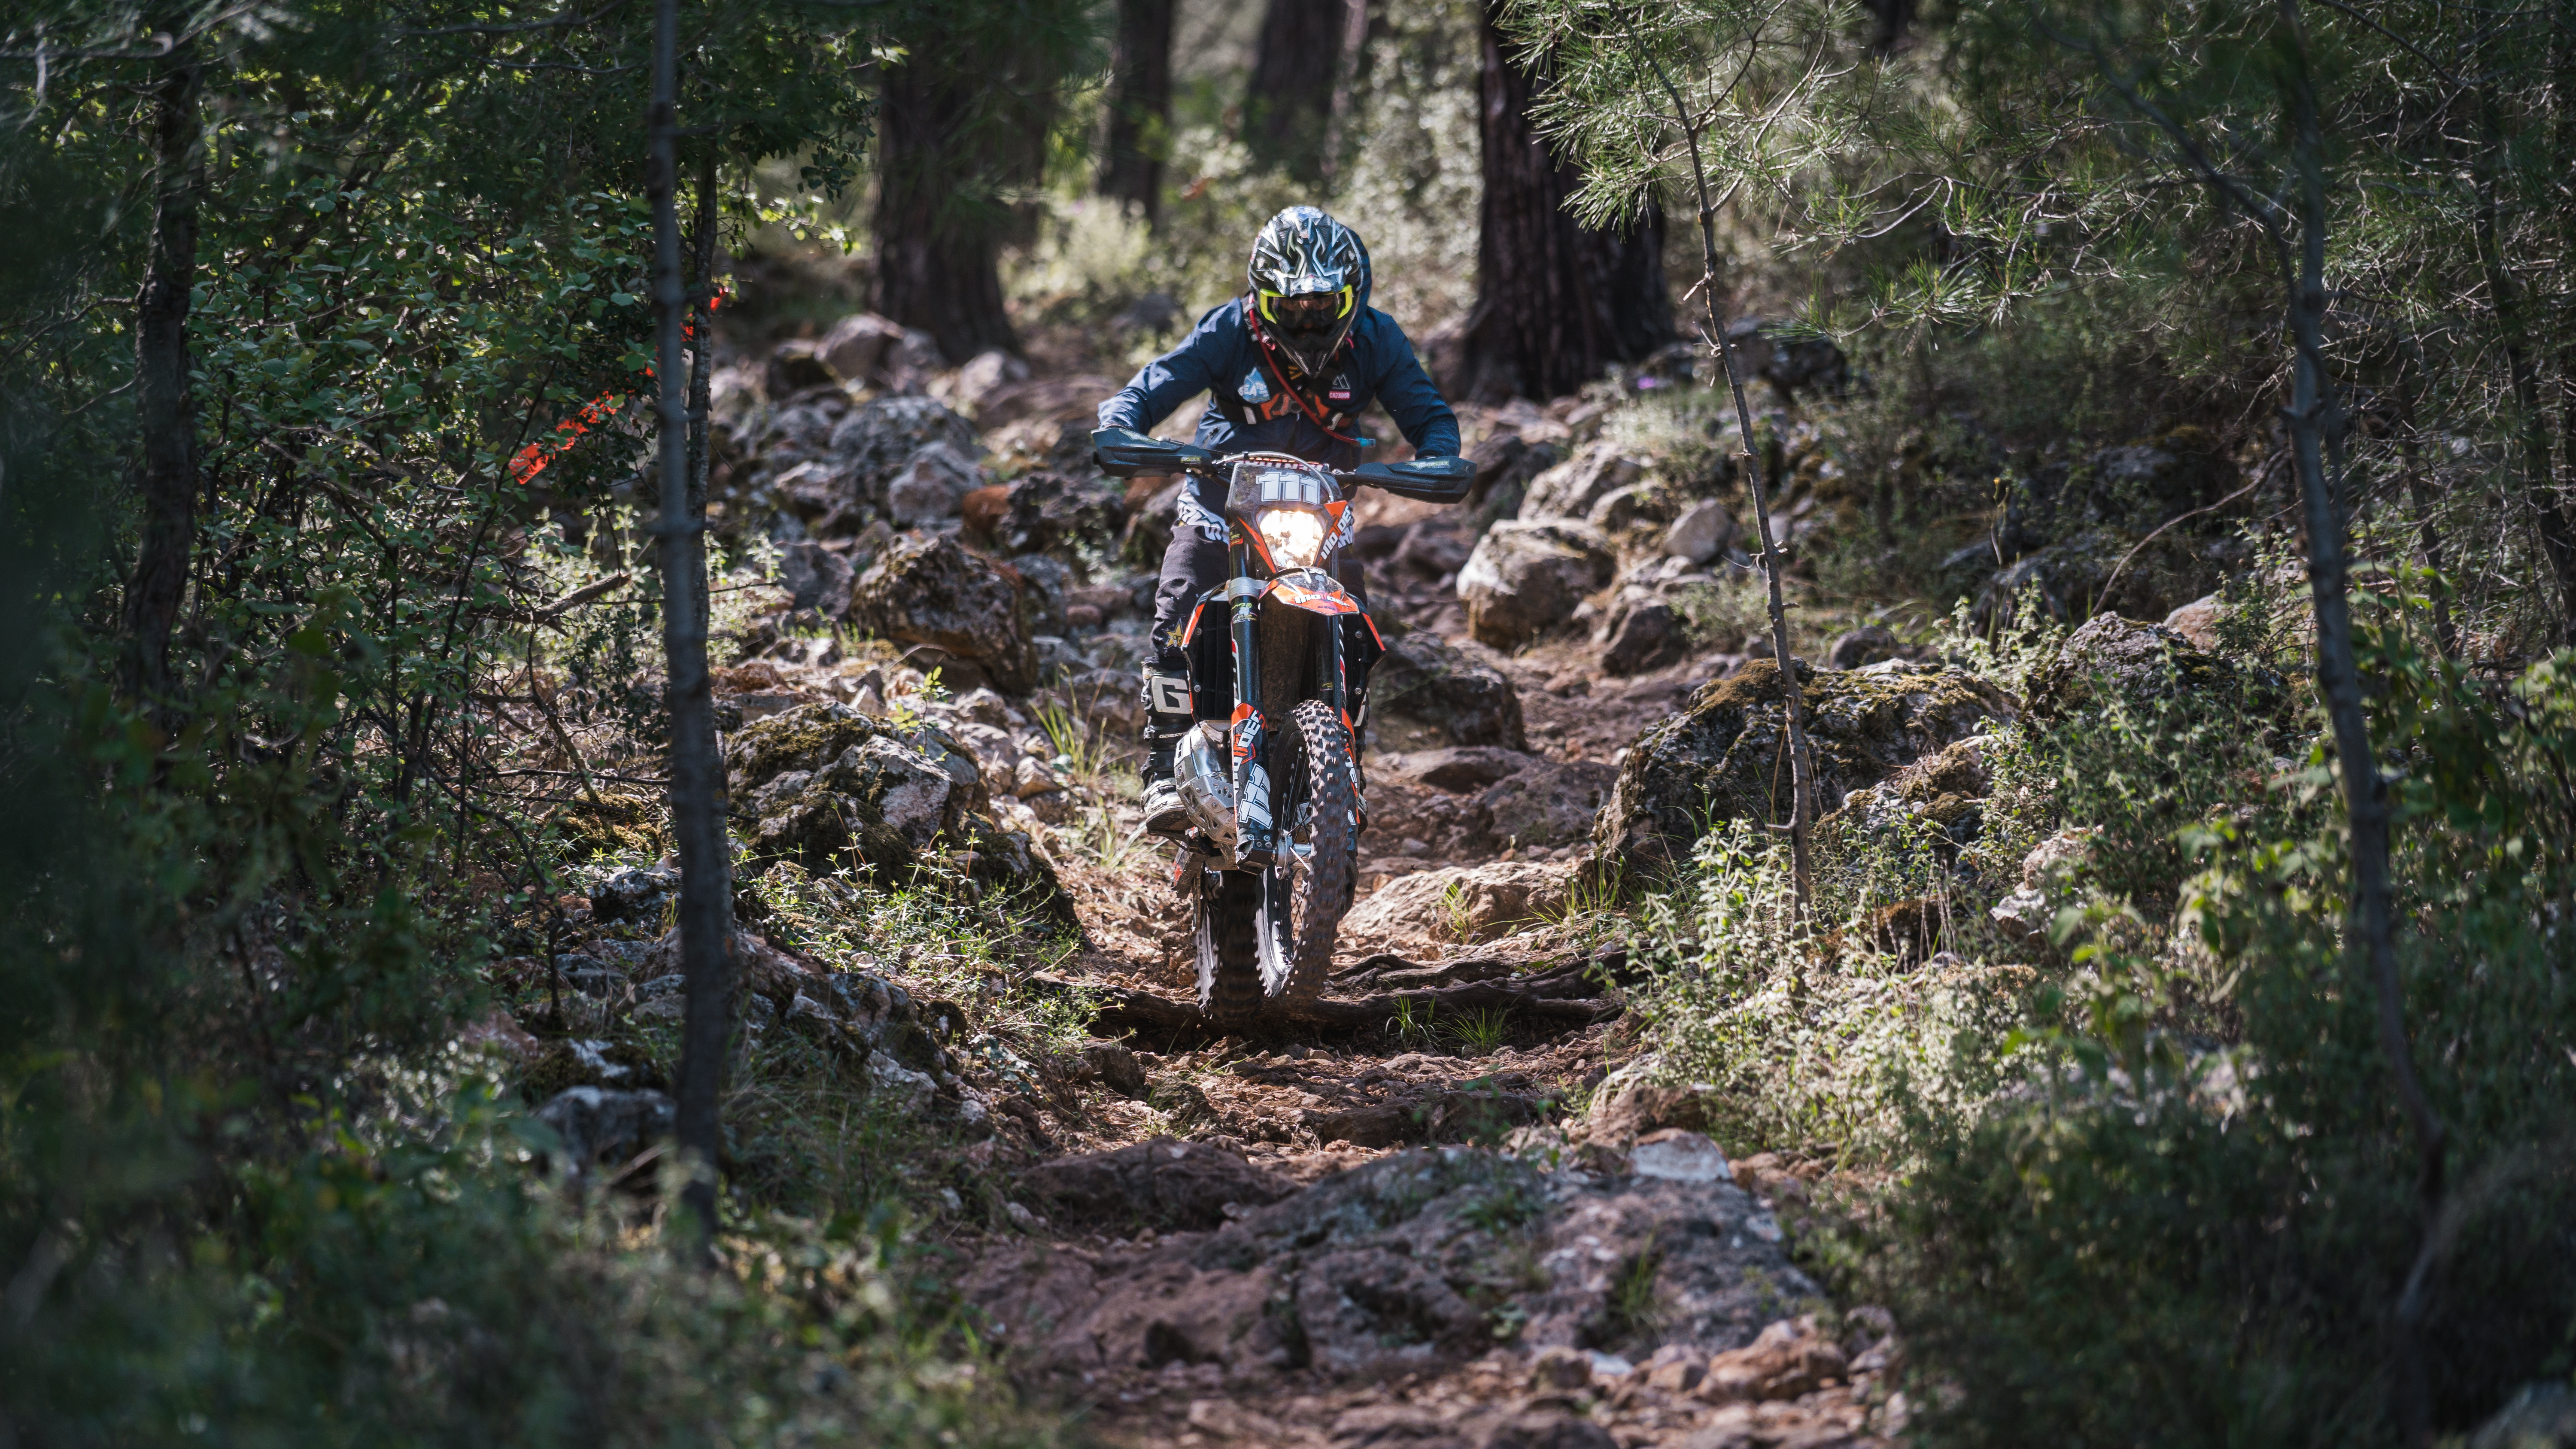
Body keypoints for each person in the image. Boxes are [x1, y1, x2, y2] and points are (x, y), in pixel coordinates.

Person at [1097, 205, 1462, 836]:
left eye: (1323, 304)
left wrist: (1437, 459)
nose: (1307, 317)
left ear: (1353, 295)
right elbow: (1155, 383)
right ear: (1261, 298)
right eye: (1290, 306)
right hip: (1221, 508)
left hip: (1324, 514)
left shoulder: (1377, 339)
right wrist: (1124, 424)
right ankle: (1163, 766)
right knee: (1176, 612)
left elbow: (1428, 414)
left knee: (1359, 637)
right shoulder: (1226, 332)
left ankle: (1343, 771)